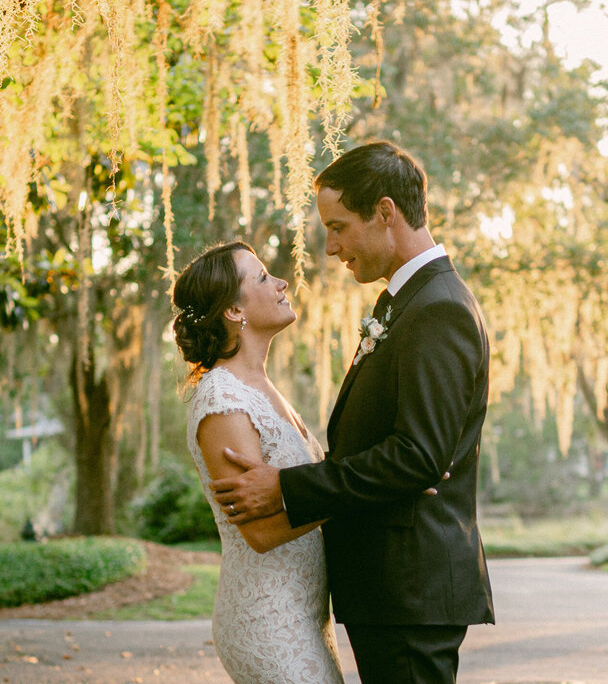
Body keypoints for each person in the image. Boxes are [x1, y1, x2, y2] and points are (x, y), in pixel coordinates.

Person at [209, 141, 495, 684]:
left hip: (408, 590)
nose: (332, 246)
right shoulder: (409, 303)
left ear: (386, 213)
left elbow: (418, 456)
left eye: (338, 226)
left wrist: (287, 488)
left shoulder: (438, 310)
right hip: (388, 592)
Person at [172, 241, 345, 684]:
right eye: (264, 277)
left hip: (304, 614)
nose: (283, 282)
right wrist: (367, 489)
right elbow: (262, 531)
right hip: (266, 619)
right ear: (233, 310)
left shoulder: (261, 386)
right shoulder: (222, 399)